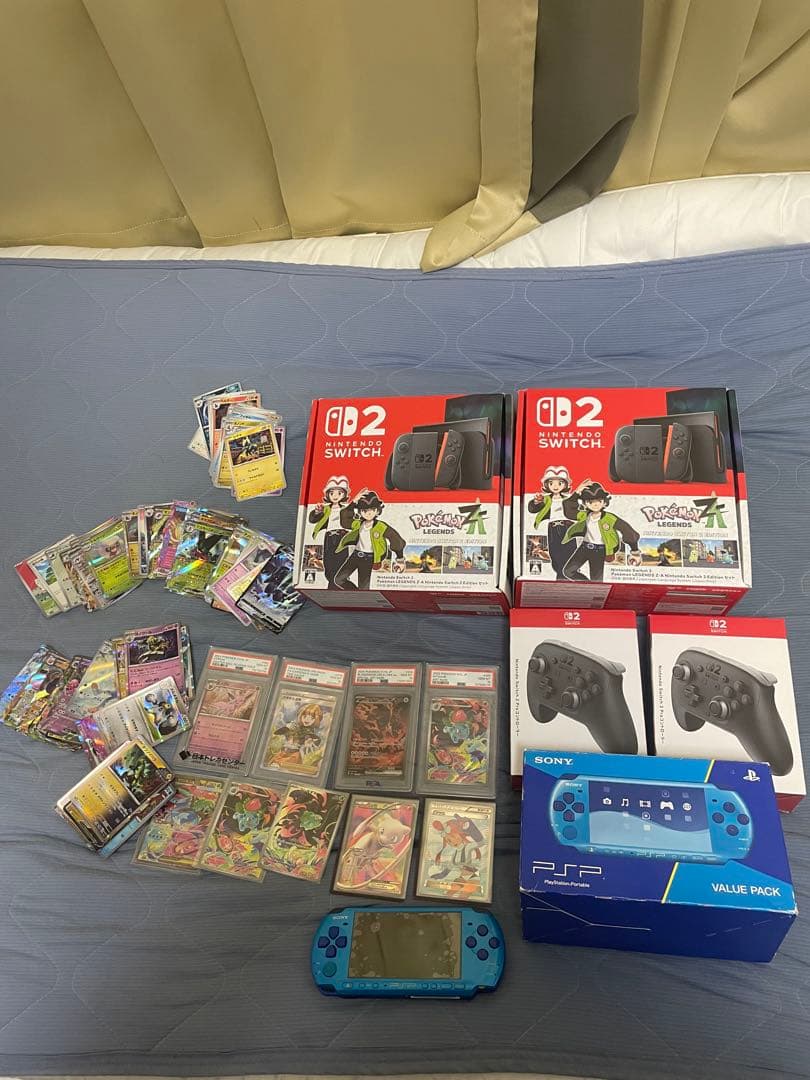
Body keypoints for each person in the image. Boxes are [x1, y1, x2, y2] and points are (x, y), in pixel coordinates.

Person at [562, 481, 640, 581]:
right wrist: (577, 492)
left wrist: (635, 551)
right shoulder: (584, 515)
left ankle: (593, 587)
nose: (595, 504)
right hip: (584, 548)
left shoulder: (609, 518)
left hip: (599, 551)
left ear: (604, 502)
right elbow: (569, 510)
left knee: (596, 580)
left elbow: (628, 531)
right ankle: (588, 585)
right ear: (585, 503)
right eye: (590, 502)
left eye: (599, 501)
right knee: (568, 571)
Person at [333, 490, 405, 590]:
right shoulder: (358, 524)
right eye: (364, 510)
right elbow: (345, 520)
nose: (368, 513)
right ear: (360, 512)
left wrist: (400, 559)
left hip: (369, 559)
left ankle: (361, 596)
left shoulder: (381, 526)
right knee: (339, 579)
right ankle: (356, 594)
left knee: (363, 588)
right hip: (355, 555)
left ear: (377, 511)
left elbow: (396, 540)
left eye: (372, 509)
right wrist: (354, 502)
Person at [527, 466, 585, 580]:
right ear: (547, 485)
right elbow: (532, 509)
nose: (555, 486)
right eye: (551, 483)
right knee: (555, 554)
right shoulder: (546, 499)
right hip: (553, 529)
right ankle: (560, 576)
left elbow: (577, 506)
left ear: (565, 485)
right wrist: (536, 501)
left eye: (560, 483)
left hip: (567, 527)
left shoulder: (569, 498)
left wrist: (578, 494)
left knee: (570, 553)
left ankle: (571, 575)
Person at [308, 475, 354, 588]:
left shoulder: (346, 508)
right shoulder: (325, 508)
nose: (335, 496)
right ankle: (332, 582)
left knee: (341, 561)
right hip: (329, 537)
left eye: (339, 493)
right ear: (327, 494)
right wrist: (317, 512)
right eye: (332, 493)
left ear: (344, 494)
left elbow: (353, 520)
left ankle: (340, 582)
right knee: (328, 562)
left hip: (342, 536)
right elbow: (312, 519)